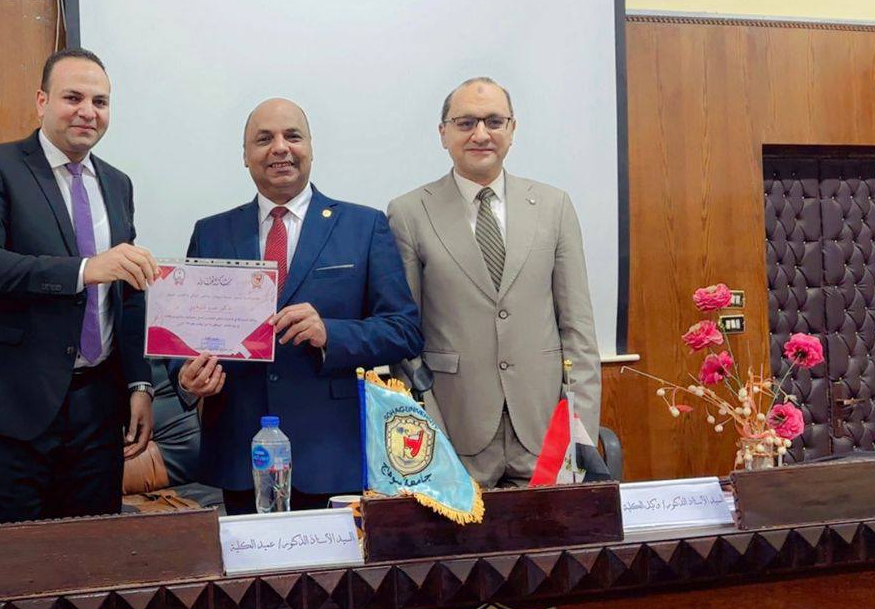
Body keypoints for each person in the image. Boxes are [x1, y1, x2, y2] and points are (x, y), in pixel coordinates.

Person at [174, 98, 423, 513]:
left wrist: (331, 333)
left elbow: (404, 330)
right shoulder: (212, 232)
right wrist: (185, 378)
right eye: (263, 139)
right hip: (240, 451)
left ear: (310, 147)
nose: (280, 148)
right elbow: (185, 333)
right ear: (245, 155)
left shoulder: (363, 226)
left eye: (292, 136)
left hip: (333, 452)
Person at [0, 47, 157, 525]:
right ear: (42, 101)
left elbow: (127, 295)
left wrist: (140, 383)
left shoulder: (118, 184)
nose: (88, 112)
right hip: (10, 407)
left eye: (100, 102)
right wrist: (83, 270)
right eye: (73, 97)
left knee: (90, 554)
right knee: (7, 557)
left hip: (97, 410)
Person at [386, 77, 601, 487]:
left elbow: (578, 331)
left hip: (544, 434)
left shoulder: (553, 206)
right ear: (443, 133)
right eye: (466, 122)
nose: (481, 134)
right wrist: (430, 434)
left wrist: (576, 435)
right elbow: (404, 340)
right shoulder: (409, 213)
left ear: (512, 129)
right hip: (454, 434)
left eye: (494, 121)